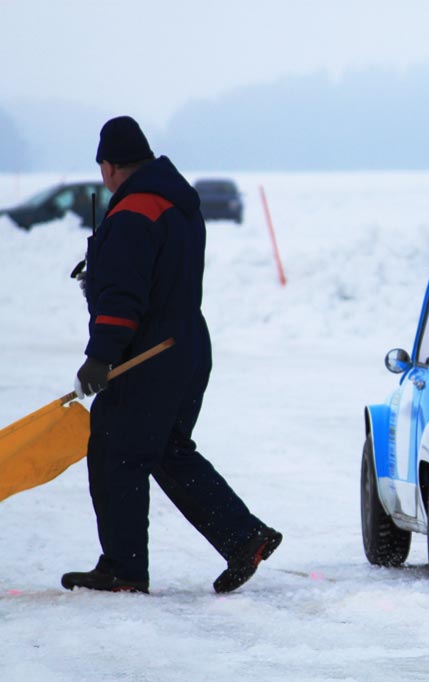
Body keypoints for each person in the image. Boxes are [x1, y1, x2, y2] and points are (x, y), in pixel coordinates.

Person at [62, 116, 281, 594]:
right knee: (165, 448)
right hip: (187, 345)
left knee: (116, 450)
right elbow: (159, 277)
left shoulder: (132, 212)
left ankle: (123, 569)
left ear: (109, 165)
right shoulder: (176, 203)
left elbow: (124, 295)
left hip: (149, 354)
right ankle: (243, 537)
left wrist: (100, 356)